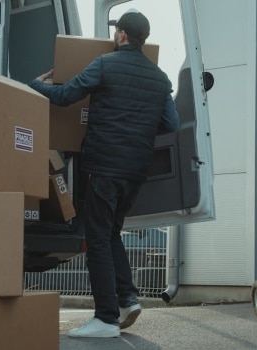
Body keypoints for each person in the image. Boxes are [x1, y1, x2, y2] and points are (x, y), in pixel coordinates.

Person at [28, 9, 179, 338]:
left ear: (122, 34)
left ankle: (106, 318)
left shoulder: (105, 65)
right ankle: (127, 299)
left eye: (116, 31)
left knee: (96, 238)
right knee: (111, 233)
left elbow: (67, 96)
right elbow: (171, 124)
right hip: (135, 171)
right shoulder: (159, 77)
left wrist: (35, 86)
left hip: (104, 167)